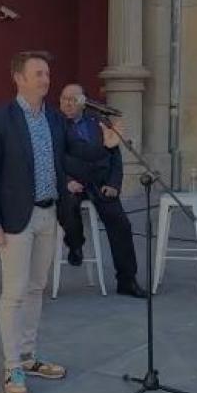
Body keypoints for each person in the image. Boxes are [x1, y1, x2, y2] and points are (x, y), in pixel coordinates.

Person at [0, 51, 123, 393]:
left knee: (36, 287)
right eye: (39, 73)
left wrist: (107, 145)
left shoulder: (55, 119)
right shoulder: (2, 118)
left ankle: (27, 355)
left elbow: (76, 153)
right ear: (19, 78)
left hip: (48, 214)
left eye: (47, 73)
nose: (46, 79)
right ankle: (12, 365)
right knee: (13, 293)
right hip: (14, 218)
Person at [56, 84, 147, 297]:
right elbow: (54, 159)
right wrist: (67, 180)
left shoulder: (100, 122)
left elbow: (115, 157)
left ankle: (127, 280)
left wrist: (114, 184)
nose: (67, 103)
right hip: (73, 183)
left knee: (121, 223)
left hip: (101, 183)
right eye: (63, 99)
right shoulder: (56, 126)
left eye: (72, 99)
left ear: (83, 102)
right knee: (67, 206)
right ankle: (75, 244)